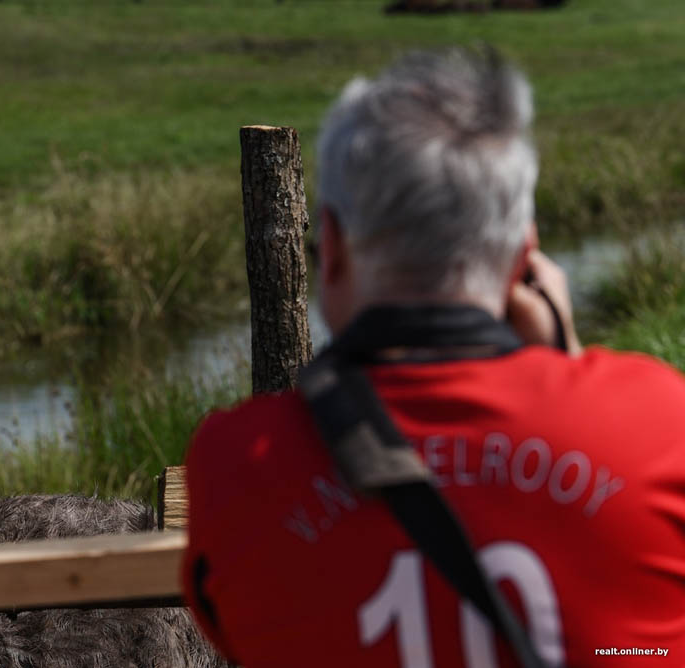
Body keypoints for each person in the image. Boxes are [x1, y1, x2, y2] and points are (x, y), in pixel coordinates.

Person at [182, 47, 685, 667]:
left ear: (331, 247)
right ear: (524, 257)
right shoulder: (659, 424)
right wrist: (569, 363)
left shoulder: (233, 466)